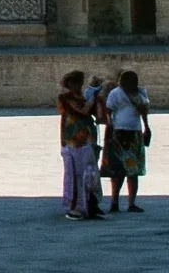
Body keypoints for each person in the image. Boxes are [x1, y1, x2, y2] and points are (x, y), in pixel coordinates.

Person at [102, 70, 150, 212]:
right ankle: (115, 201)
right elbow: (108, 111)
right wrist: (110, 126)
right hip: (119, 132)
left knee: (133, 169)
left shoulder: (141, 93)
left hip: (135, 132)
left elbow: (144, 112)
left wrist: (146, 127)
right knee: (118, 168)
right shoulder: (116, 93)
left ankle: (131, 203)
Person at [56, 72, 99, 217]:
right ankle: (74, 205)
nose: (76, 86)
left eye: (78, 83)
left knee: (90, 172)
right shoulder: (65, 98)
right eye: (73, 83)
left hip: (87, 138)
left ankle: (91, 203)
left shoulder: (84, 97)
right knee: (74, 174)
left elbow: (97, 114)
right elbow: (82, 112)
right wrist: (91, 100)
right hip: (72, 140)